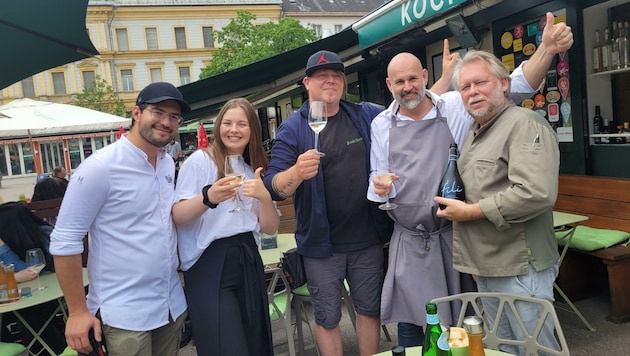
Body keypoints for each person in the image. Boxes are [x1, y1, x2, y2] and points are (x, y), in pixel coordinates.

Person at [369, 12, 573, 347]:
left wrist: (546, 50)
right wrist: (378, 186)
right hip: (443, 247)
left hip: (475, 244)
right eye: (466, 86)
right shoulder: (385, 124)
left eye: (413, 79)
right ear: (390, 86)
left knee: (491, 334)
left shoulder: (468, 110)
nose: (472, 92)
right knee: (486, 339)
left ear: (424, 76)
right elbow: (376, 181)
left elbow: (521, 81)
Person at [263, 50, 392, 356]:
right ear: (308, 83)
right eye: (323, 77)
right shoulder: (294, 128)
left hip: (367, 240)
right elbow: (273, 186)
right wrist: (295, 172)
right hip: (322, 247)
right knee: (327, 317)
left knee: (369, 311)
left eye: (336, 75)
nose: (331, 81)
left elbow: (404, 111)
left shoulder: (363, 114)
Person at [435, 49, 561, 355]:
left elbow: (535, 193)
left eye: (481, 83)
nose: (473, 92)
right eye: (465, 87)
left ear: (504, 84)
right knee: (502, 349)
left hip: (521, 266)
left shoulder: (524, 123)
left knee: (535, 350)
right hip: (489, 266)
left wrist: (471, 212)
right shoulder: (476, 133)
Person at [50, 82, 189, 356]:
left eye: (174, 117)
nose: (166, 122)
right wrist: (77, 311)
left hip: (169, 303)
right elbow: (65, 240)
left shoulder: (164, 162)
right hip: (125, 312)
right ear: (136, 113)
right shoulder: (100, 168)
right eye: (158, 112)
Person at [172, 98, 279, 356]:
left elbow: (270, 228)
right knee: (225, 345)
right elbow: (177, 215)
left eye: (242, 124)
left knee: (255, 343)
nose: (234, 129)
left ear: (252, 129)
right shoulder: (200, 161)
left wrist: (264, 197)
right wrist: (209, 198)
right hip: (209, 262)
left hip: (248, 257)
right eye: (228, 123)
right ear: (218, 126)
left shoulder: (252, 168)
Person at [0, 202, 66, 354]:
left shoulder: (44, 234)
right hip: (15, 299)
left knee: (31, 318)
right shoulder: (8, 240)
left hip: (53, 292)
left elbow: (31, 272)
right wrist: (15, 276)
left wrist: (5, 250)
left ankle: (61, 351)